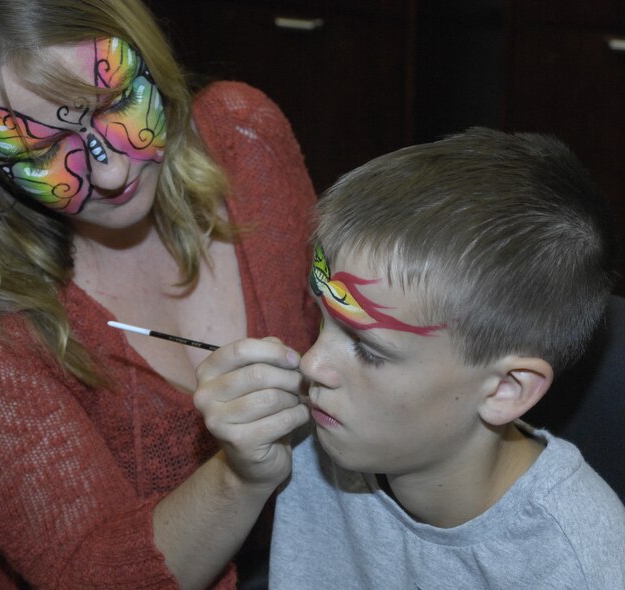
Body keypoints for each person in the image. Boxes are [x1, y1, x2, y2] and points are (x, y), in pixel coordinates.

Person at [0, 0, 318, 588]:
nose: (110, 173)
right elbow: (93, 577)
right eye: (39, 151)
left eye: (113, 102)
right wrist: (237, 477)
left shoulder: (245, 135)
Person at [257, 127, 625, 588]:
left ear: (505, 389)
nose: (311, 364)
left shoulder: (578, 568)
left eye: (368, 350)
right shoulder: (313, 439)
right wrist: (239, 474)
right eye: (321, 320)